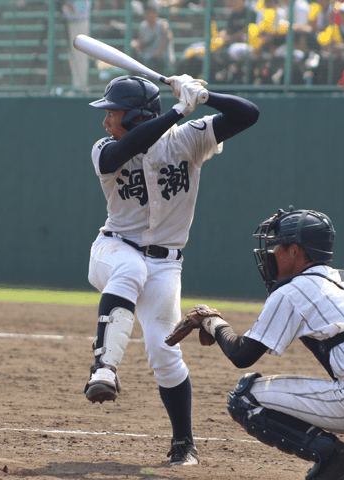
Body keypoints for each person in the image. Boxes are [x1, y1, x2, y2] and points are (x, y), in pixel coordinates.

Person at [83, 74, 259, 465]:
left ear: (135, 115)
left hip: (165, 264)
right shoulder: (104, 149)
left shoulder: (187, 138)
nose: (105, 120)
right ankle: (104, 367)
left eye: (112, 112)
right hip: (113, 249)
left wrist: (205, 95)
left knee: (164, 352)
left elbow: (249, 114)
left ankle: (184, 443)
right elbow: (122, 151)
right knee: (129, 270)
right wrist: (179, 108)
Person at [179, 207, 344, 479]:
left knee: (245, 398)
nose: (271, 252)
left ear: (295, 250)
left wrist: (212, 322)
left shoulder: (293, 291)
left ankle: (335, 458)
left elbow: (242, 354)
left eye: (277, 245)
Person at [132, 1, 173, 76]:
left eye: (150, 11)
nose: (148, 14)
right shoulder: (143, 26)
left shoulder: (163, 24)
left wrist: (155, 55)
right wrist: (137, 48)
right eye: (146, 11)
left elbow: (166, 41)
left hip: (162, 59)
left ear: (156, 13)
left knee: (150, 62)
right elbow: (141, 44)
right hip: (148, 59)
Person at [62, 0, 91, 89]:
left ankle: (81, 87)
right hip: (72, 22)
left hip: (80, 22)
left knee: (81, 56)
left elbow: (78, 10)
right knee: (73, 57)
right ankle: (77, 86)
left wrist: (66, 3)